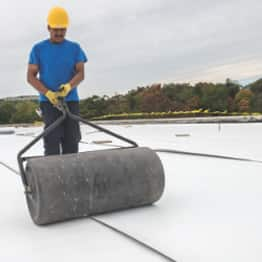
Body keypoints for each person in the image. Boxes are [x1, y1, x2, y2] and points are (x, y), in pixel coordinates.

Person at [27, 6, 88, 156]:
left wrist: (68, 87)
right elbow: (30, 76)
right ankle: (52, 177)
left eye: (63, 29)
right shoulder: (38, 49)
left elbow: (81, 73)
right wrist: (48, 93)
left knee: (72, 141)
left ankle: (71, 175)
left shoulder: (74, 48)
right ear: (49, 27)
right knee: (52, 141)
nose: (60, 33)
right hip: (49, 102)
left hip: (71, 100)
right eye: (56, 30)